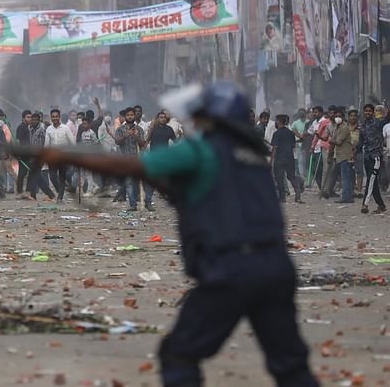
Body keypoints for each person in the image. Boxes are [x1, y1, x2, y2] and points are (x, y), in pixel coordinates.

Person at [27, 82, 318, 387]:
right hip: (276, 267)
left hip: (231, 270)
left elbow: (130, 166)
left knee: (179, 354)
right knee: (291, 365)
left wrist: (69, 158)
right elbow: (198, 192)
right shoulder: (252, 155)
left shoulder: (203, 148)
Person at [114, 107, 148, 211]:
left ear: (134, 116)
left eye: (131, 115)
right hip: (125, 160)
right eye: (128, 115)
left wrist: (136, 136)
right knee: (129, 182)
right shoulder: (120, 129)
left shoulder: (139, 129)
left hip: (137, 160)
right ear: (125, 117)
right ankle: (133, 205)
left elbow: (143, 144)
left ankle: (144, 201)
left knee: (137, 182)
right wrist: (126, 135)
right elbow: (117, 142)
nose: (130, 117)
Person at [357, 104, 388, 214]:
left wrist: (385, 108)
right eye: (366, 111)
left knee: (370, 180)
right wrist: (355, 153)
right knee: (373, 182)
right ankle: (381, 205)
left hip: (376, 157)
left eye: (370, 111)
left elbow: (386, 117)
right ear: (363, 112)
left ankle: (365, 204)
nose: (368, 113)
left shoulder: (378, 123)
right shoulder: (362, 126)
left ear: (373, 112)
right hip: (367, 156)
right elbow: (360, 143)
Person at [271, 115, 303, 204]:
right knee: (291, 177)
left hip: (279, 159)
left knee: (279, 178)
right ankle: (298, 196)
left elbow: (275, 148)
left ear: (278, 122)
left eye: (276, 121)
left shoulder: (277, 133)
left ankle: (282, 198)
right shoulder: (290, 133)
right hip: (290, 158)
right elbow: (293, 145)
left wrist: (271, 161)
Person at [45, 109, 75, 203]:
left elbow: (72, 143)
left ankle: (60, 198)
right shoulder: (49, 129)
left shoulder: (66, 128)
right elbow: (46, 145)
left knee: (62, 177)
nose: (55, 118)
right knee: (52, 176)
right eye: (53, 116)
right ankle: (61, 192)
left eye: (56, 116)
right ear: (51, 117)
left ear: (59, 117)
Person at [331, 110, 355, 204]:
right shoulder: (337, 127)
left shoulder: (344, 128)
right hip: (341, 155)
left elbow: (338, 142)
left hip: (345, 155)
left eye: (339, 116)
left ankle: (346, 197)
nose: (337, 118)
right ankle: (348, 196)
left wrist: (331, 140)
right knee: (346, 177)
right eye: (336, 116)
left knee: (345, 177)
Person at [15, 110, 33, 197]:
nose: (30, 119)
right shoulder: (21, 127)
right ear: (23, 118)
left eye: (30, 117)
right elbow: (18, 140)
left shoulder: (27, 127)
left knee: (25, 172)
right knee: (22, 173)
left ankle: (25, 191)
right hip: (23, 153)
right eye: (28, 117)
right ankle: (20, 192)